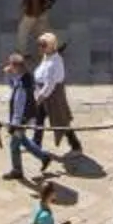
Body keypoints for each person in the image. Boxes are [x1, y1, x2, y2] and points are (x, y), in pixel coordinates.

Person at [31, 30, 82, 159]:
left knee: (61, 121)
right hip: (44, 94)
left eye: (43, 45)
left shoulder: (54, 62)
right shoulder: (47, 56)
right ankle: (36, 144)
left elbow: (50, 85)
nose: (40, 48)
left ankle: (76, 146)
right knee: (39, 119)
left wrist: (39, 98)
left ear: (50, 46)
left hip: (53, 97)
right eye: (39, 45)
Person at [0, 51, 47, 180]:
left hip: (21, 119)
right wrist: (7, 75)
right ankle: (44, 156)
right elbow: (11, 85)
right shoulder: (24, 76)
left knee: (14, 145)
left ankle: (17, 170)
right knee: (23, 141)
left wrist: (15, 124)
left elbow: (19, 108)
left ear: (16, 67)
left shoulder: (22, 87)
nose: (9, 67)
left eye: (11, 66)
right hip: (26, 117)